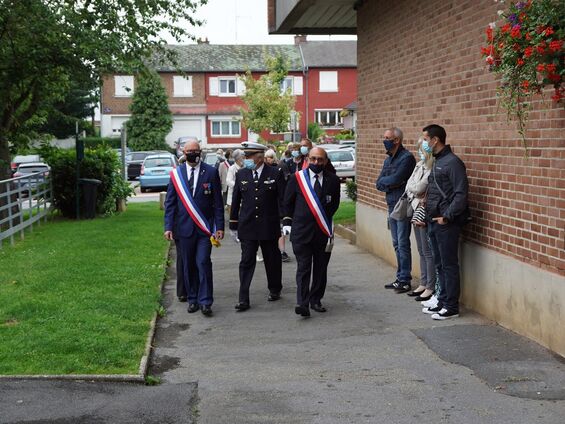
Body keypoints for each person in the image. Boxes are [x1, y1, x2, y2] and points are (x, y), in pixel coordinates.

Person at [164, 141, 224, 317]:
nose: (193, 154)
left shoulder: (211, 172)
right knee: (188, 265)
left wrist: (219, 226)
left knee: (203, 263)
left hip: (204, 230)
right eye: (190, 151)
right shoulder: (176, 175)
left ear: (200, 152)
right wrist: (168, 226)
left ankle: (206, 301)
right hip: (183, 230)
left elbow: (218, 204)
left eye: (196, 151)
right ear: (184, 152)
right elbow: (170, 204)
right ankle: (192, 299)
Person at [283, 147, 341, 317]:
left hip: (323, 232)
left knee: (321, 268)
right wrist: (287, 221)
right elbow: (287, 203)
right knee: (303, 267)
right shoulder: (297, 178)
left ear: (326, 161)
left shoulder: (333, 180)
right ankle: (302, 303)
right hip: (301, 232)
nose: (317, 162)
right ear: (307, 159)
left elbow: (335, 204)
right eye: (314, 159)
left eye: (320, 160)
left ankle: (316, 299)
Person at [229, 142, 286, 312]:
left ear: (260, 157)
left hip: (269, 225)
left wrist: (285, 221)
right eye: (245, 156)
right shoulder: (241, 174)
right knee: (246, 261)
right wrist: (233, 224)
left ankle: (275, 288)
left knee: (272, 260)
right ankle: (243, 298)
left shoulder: (275, 173)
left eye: (249, 156)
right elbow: (236, 200)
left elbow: (281, 199)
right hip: (248, 226)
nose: (246, 159)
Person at [421, 124, 469, 320]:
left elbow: (460, 194)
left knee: (449, 265)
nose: (424, 143)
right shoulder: (437, 161)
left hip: (446, 223)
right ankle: (442, 300)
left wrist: (446, 216)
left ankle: (451, 306)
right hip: (434, 221)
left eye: (425, 139)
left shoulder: (452, 162)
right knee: (440, 264)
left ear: (435, 140)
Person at [376, 127, 416, 293]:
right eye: (384, 137)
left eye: (388, 138)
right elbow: (379, 182)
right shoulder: (388, 160)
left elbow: (398, 178)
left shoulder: (406, 158)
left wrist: (389, 182)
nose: (384, 140)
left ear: (397, 140)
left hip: (402, 205)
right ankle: (400, 277)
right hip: (391, 203)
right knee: (396, 243)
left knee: (402, 242)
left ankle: (405, 279)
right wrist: (388, 182)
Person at [404, 138, 435, 302]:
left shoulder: (432, 167)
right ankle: (423, 282)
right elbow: (409, 186)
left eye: (422, 150)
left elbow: (418, 187)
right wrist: (413, 190)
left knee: (428, 251)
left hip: (424, 212)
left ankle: (430, 286)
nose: (420, 153)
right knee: (421, 250)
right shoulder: (419, 165)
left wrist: (413, 189)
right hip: (415, 208)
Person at [226, 149, 244, 214]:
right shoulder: (232, 168)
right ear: (238, 158)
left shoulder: (245, 168)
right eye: (243, 157)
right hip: (233, 199)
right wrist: (239, 185)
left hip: (244, 199)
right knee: (234, 219)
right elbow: (228, 181)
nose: (244, 159)